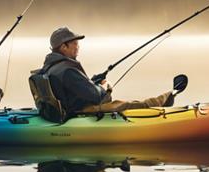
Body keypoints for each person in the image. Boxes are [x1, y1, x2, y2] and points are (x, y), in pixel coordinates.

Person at [33, 27, 175, 117]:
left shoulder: (51, 66)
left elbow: (74, 88)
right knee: (123, 105)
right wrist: (105, 88)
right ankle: (160, 102)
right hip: (78, 111)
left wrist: (92, 80)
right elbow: (99, 98)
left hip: (65, 108)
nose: (78, 47)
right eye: (75, 43)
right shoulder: (67, 70)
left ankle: (161, 100)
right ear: (64, 47)